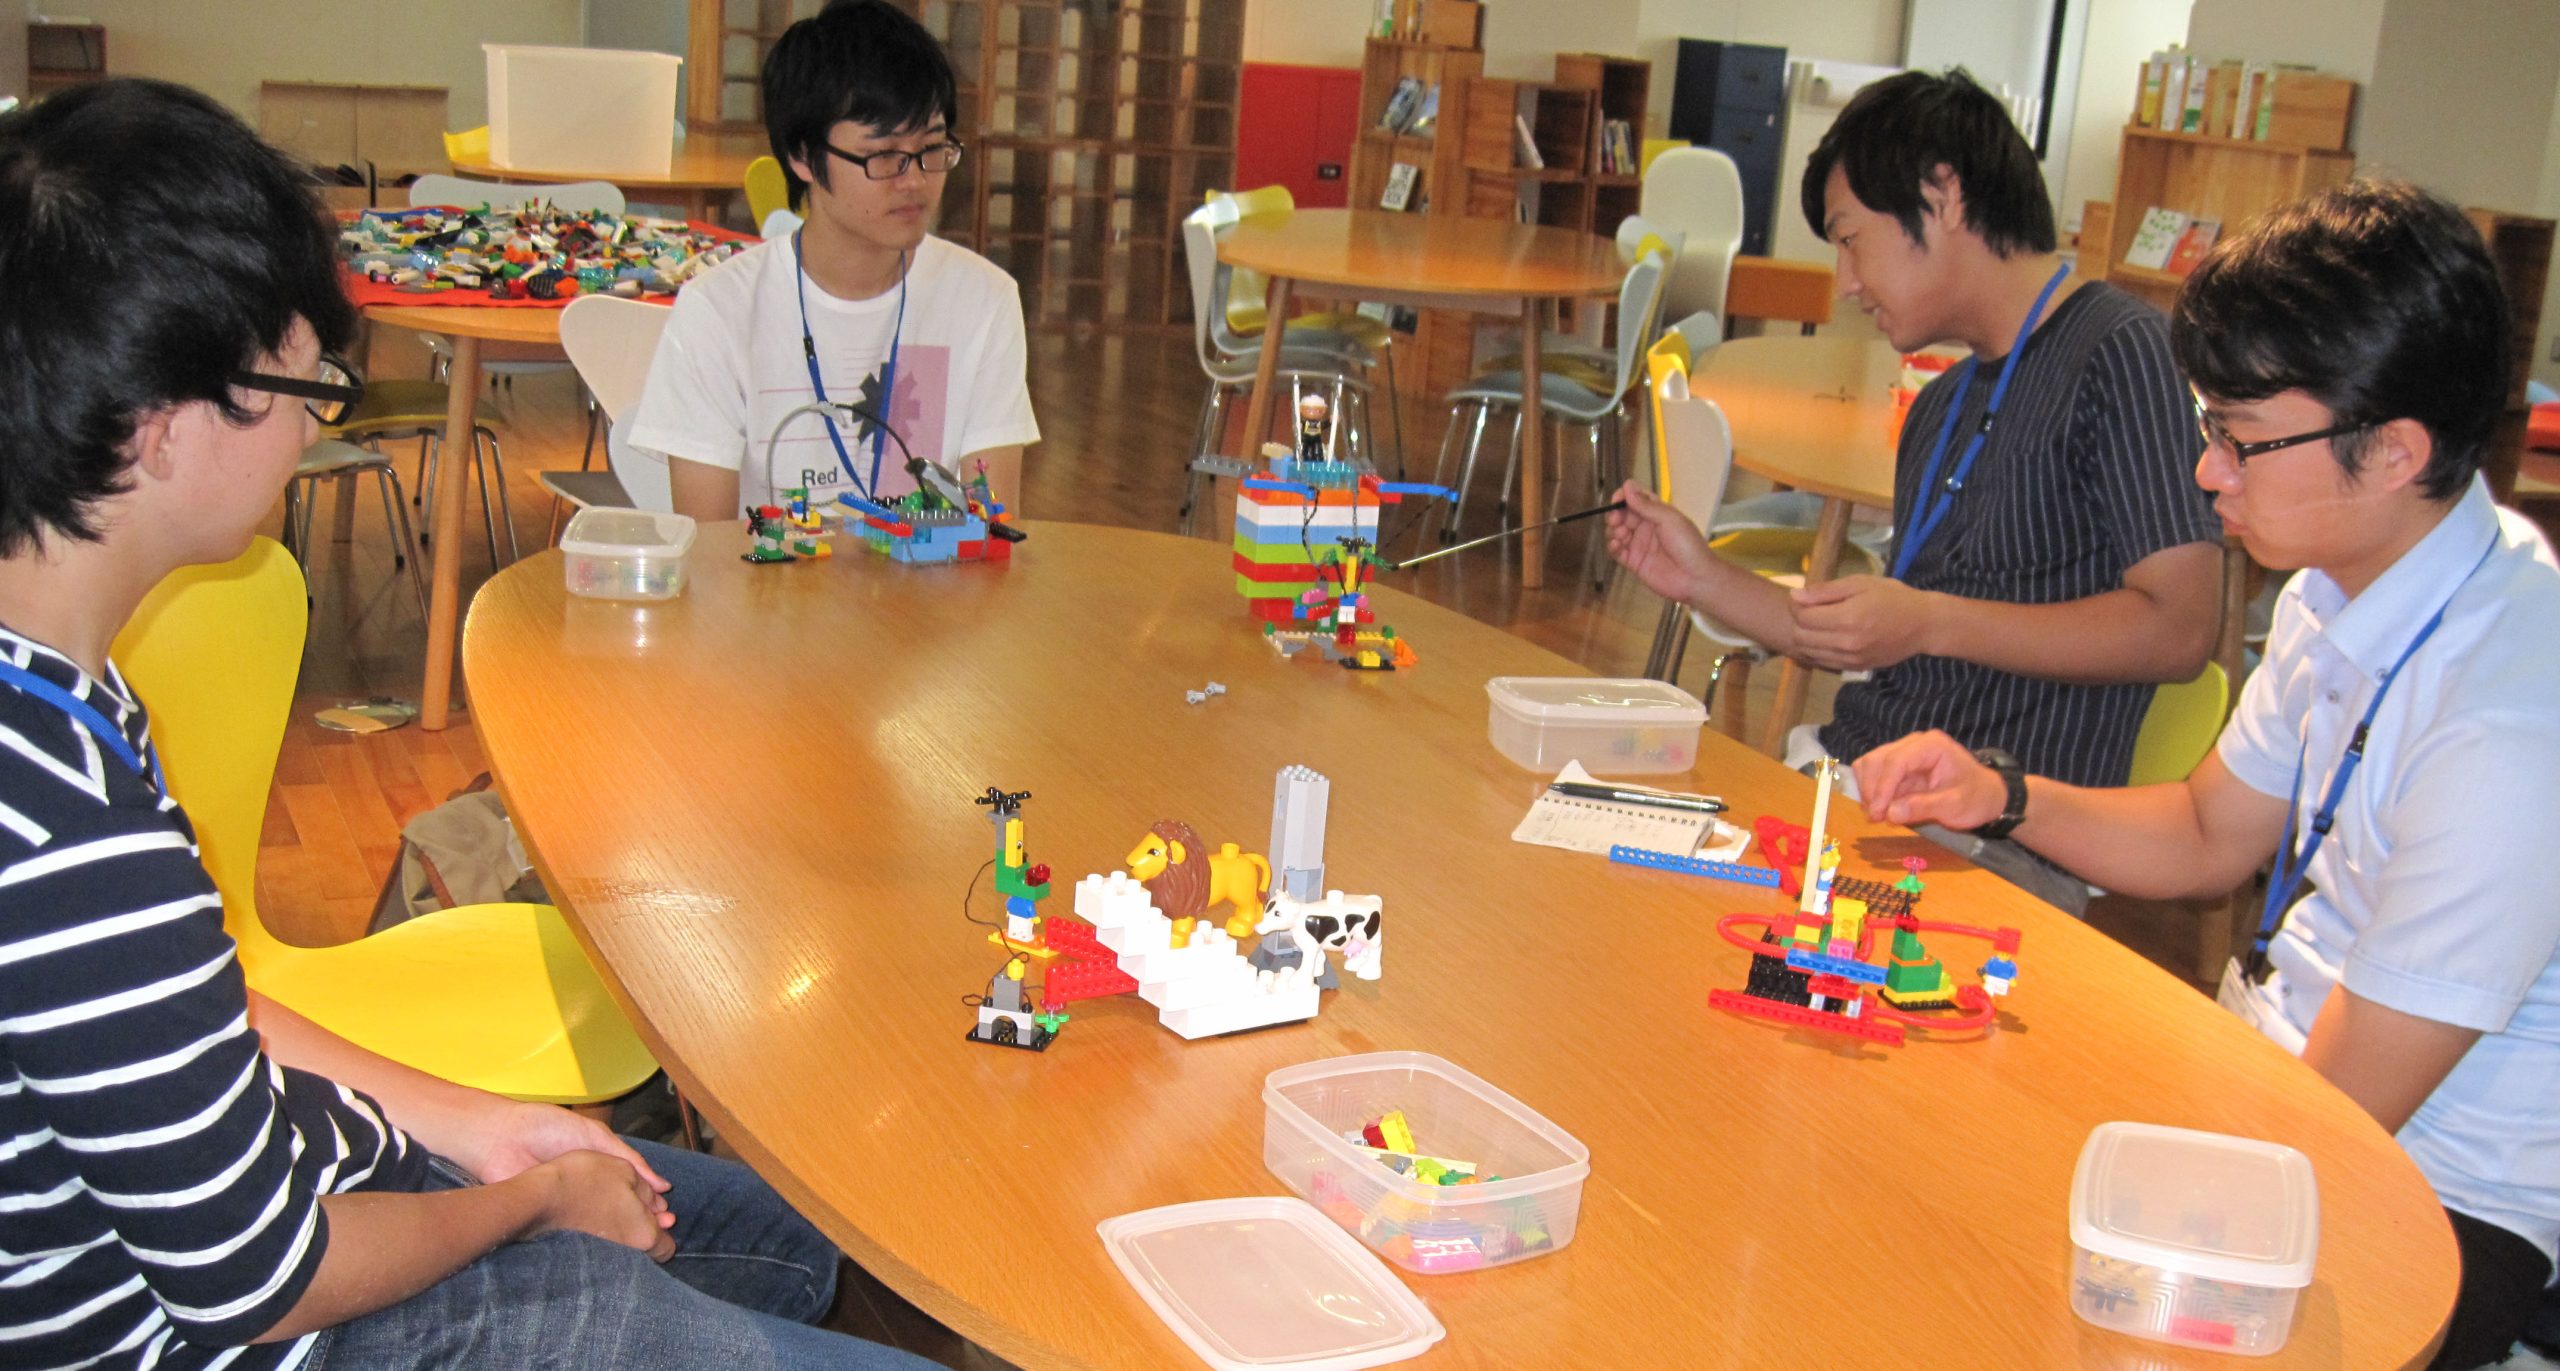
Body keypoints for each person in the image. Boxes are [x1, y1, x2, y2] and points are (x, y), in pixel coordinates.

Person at [0, 78, 939, 1371]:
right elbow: (262, 1281)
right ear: (161, 430)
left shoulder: (54, 679)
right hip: (278, 1325)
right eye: (304, 383)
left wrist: (476, 1121)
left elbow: (188, 1013)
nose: (315, 415)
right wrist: (536, 1198)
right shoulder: (69, 833)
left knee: (781, 1238)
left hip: (306, 1182)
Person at [1852, 180, 2560, 1371]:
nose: (2206, 472)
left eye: (2240, 438)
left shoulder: (2508, 727)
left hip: (2431, 1201)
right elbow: (2201, 832)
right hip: (2286, 1089)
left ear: (2393, 451)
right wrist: (2001, 794)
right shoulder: (2346, 583)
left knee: (1990, 1270)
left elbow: (2339, 1126)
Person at [1606, 69, 2222, 914]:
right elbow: (1874, 637)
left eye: (1852, 239)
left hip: (1989, 842)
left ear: (1943, 196)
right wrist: (1700, 577)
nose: (1846, 282)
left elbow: (2181, 628)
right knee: (1613, 880)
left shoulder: (2121, 351)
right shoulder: (1941, 404)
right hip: (1852, 785)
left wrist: (1930, 619)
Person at [630, 0, 1038, 523]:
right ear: (803, 155)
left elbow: (993, 527)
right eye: (884, 156)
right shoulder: (718, 311)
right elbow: (709, 548)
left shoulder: (984, 299)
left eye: (932, 149)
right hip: (762, 578)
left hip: (932, 579)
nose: (915, 180)